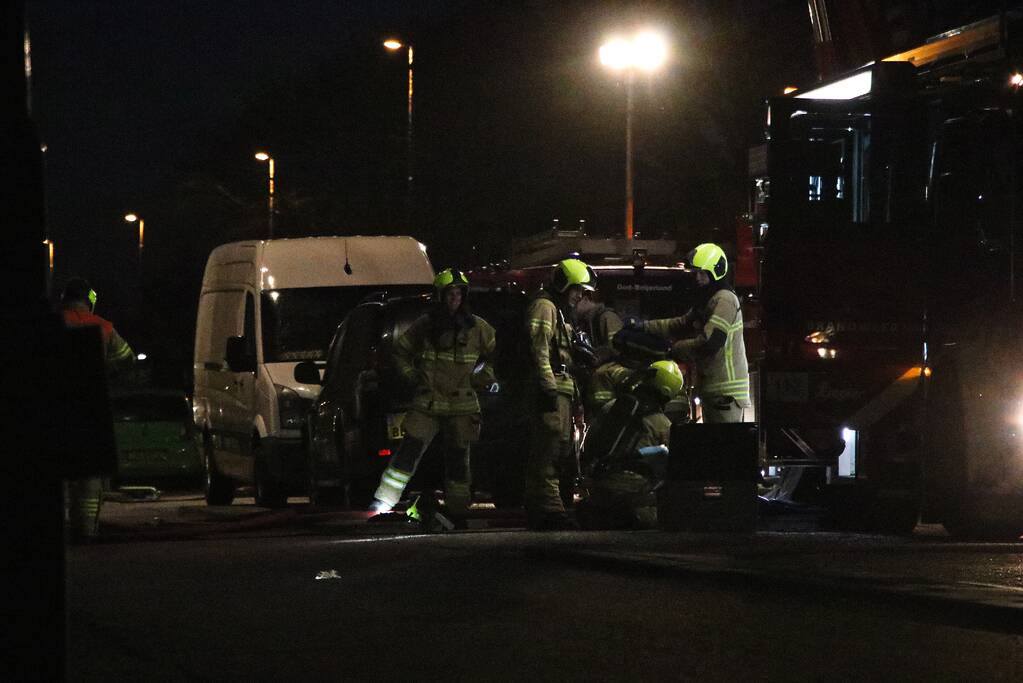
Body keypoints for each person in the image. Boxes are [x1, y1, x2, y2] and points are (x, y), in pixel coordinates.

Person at [369, 269, 497, 518]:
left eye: (459, 294)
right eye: (450, 294)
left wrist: (480, 379)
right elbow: (400, 353)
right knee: (407, 453)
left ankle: (458, 510)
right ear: (440, 296)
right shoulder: (424, 326)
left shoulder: (478, 328)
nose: (455, 299)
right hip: (428, 403)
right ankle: (382, 502)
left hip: (462, 405)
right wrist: (413, 377)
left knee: (459, 461)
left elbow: (499, 357)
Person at [635, 243, 750, 423]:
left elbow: (710, 341)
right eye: (695, 273)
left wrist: (673, 349)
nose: (697, 278)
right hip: (714, 390)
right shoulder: (709, 301)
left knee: (726, 446)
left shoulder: (725, 300)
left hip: (725, 392)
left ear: (716, 272)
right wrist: (642, 327)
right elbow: (679, 324)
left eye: (702, 273)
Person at [60, 277, 135, 541]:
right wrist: (108, 374)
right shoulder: (102, 326)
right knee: (89, 477)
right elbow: (127, 359)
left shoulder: (49, 324)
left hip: (55, 409)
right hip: (92, 410)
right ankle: (86, 530)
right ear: (89, 300)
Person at [524, 257, 596, 530]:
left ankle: (548, 507)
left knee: (561, 449)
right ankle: (548, 510)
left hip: (563, 389)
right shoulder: (544, 306)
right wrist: (548, 387)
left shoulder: (559, 309)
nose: (579, 295)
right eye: (576, 289)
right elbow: (539, 350)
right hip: (552, 389)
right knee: (549, 450)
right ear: (563, 284)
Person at [578, 359, 684, 529]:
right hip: (633, 500)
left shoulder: (611, 407)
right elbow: (673, 467)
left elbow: (589, 442)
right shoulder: (662, 424)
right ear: (668, 392)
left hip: (599, 490)